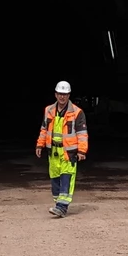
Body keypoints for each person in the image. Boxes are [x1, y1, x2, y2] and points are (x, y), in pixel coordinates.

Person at [35, 80, 88, 218]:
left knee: (66, 179)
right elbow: (44, 129)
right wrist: (40, 144)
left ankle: (61, 207)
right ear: (55, 94)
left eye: (65, 94)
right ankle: (58, 205)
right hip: (53, 152)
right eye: (60, 94)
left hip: (69, 153)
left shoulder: (77, 112)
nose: (62, 97)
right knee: (55, 180)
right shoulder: (49, 110)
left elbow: (82, 134)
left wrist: (82, 151)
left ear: (69, 95)